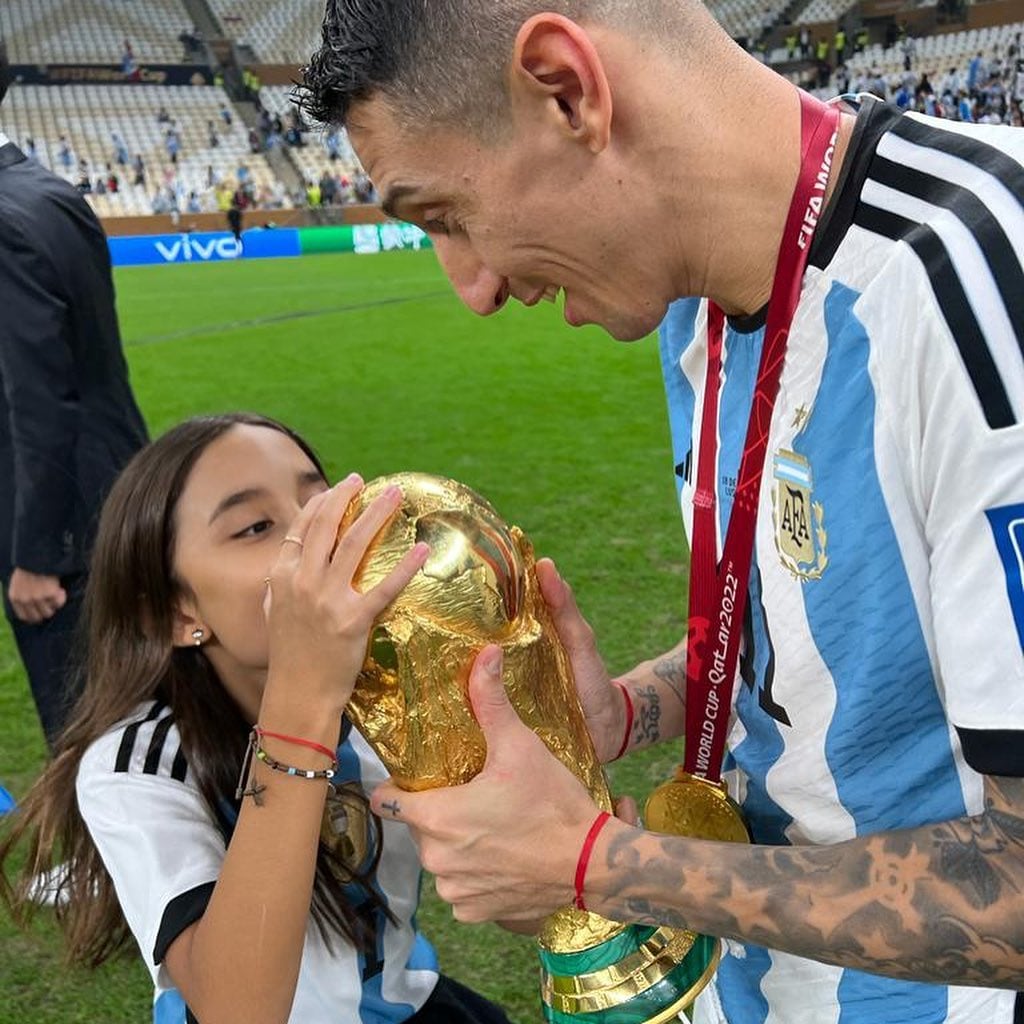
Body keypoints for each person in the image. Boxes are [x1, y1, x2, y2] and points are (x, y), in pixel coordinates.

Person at [297, 3, 1024, 1023]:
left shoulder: (978, 269)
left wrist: (603, 865)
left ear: (565, 88)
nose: (471, 287)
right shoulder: (691, 304)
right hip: (760, 983)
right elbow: (853, 633)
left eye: (444, 215)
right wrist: (626, 711)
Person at [0, 413, 513, 1024]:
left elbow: (521, 895)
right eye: (256, 526)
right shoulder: (135, 765)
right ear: (171, 612)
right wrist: (305, 705)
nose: (316, 534)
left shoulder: (397, 701)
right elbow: (235, 1008)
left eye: (321, 502)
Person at [0, 47, 148, 749]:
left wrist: (39, 554)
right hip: (118, 496)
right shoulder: (48, 191)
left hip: (64, 536)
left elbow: (39, 399)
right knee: (141, 725)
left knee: (93, 743)